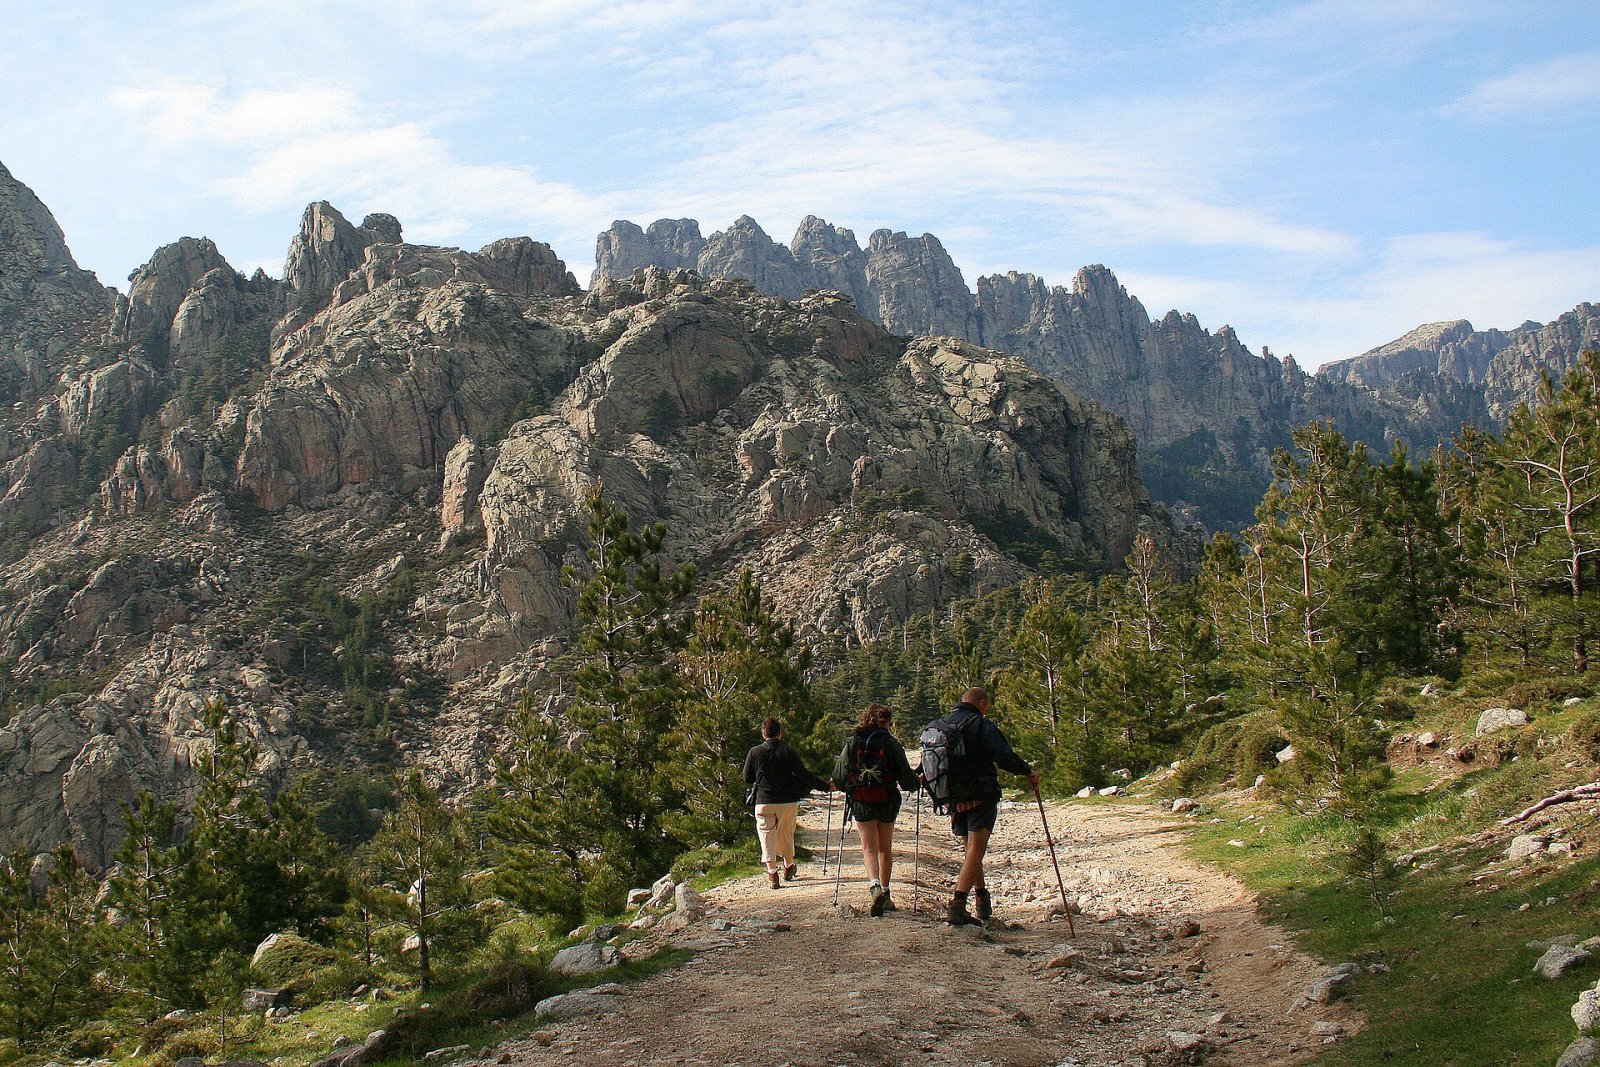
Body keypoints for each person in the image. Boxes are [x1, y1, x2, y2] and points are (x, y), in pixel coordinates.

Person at [936, 686, 1039, 926]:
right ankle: (958, 904)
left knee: (970, 849)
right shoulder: (981, 725)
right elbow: (1004, 756)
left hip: (954, 797)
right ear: (981, 703)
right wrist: (1027, 771)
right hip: (982, 793)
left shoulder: (943, 724)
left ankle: (982, 899)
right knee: (976, 849)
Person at [832, 703, 920, 917]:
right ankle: (887, 893)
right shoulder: (891, 744)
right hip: (887, 800)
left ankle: (874, 886)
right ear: (888, 723)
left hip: (861, 800)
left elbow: (840, 777)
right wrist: (917, 782)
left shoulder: (853, 742)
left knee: (868, 848)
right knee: (884, 847)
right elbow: (908, 781)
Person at [742, 717, 830, 890]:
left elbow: (747, 777)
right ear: (780, 734)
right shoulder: (788, 751)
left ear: (763, 733)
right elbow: (804, 774)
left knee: (766, 835)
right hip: (786, 801)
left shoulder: (755, 752)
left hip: (763, 801)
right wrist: (826, 787)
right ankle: (788, 866)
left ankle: (772, 873)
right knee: (786, 834)